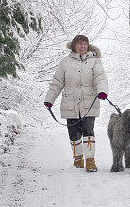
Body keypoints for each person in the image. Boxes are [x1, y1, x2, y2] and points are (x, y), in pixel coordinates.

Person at [44, 35, 109, 172]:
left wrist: (102, 91)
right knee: (73, 132)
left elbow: (100, 77)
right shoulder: (65, 62)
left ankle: (90, 161)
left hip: (89, 101)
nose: (82, 46)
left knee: (88, 131)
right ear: (74, 46)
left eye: (84, 44)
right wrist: (50, 99)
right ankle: (78, 159)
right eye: (79, 44)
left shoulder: (95, 61)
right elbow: (57, 82)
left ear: (88, 46)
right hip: (70, 102)